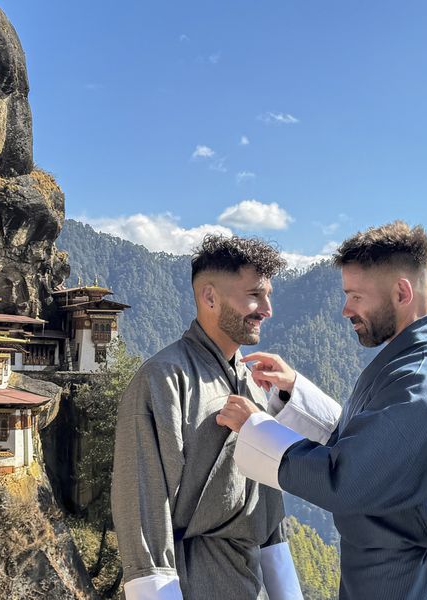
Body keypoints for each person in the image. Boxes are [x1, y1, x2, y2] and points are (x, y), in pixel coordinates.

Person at [217, 221, 427, 600]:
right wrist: (294, 391)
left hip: (406, 585)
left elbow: (347, 479)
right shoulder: (422, 362)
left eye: (356, 296)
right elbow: (377, 447)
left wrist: (255, 427)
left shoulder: (423, 383)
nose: (346, 310)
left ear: (401, 292)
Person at [112, 235, 319, 600]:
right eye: (255, 295)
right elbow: (144, 516)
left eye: (269, 295)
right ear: (210, 297)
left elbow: (270, 511)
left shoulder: (254, 384)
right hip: (192, 581)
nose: (267, 309)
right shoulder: (162, 381)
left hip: (249, 580)